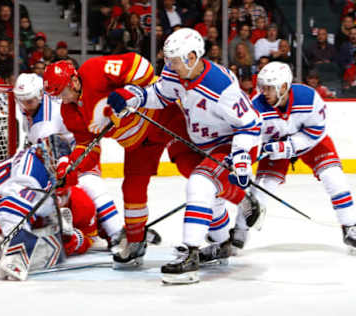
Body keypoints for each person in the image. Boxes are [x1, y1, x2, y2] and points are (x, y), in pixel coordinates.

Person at [107, 28, 263, 284]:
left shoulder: (222, 87)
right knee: (197, 180)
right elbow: (160, 94)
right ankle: (223, 240)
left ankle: (190, 255)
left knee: (201, 183)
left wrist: (241, 157)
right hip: (200, 140)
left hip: (228, 144)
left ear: (191, 57)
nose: (168, 65)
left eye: (174, 60)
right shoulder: (175, 72)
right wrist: (134, 96)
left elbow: (251, 125)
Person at [43, 54, 172, 268]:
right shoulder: (70, 111)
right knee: (132, 190)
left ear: (74, 81)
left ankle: (218, 230)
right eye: (57, 96)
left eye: (63, 92)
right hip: (138, 143)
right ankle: (135, 242)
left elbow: (142, 68)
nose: (63, 100)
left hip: (163, 114)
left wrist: (126, 93)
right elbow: (88, 148)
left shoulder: (94, 70)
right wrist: (70, 167)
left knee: (195, 168)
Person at [231, 61, 356, 252]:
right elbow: (249, 136)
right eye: (262, 87)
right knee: (262, 188)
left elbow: (317, 129)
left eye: (269, 88)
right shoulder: (256, 107)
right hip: (274, 146)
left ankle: (350, 227)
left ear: (283, 86)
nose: (264, 92)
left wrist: (289, 145)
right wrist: (242, 158)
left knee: (334, 178)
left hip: (310, 143)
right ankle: (239, 231)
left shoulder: (308, 97)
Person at [13, 72, 126, 252]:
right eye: (20, 100)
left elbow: (52, 149)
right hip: (61, 157)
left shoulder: (46, 122)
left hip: (80, 152)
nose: (24, 105)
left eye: (29, 100)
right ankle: (101, 230)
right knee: (78, 198)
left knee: (92, 186)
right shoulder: (34, 106)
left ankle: (118, 234)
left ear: (40, 95)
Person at [0, 136, 97, 281]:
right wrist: (16, 251)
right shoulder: (30, 171)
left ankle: (1, 247)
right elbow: (10, 210)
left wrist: (73, 237)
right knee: (42, 251)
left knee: (44, 234)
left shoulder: (44, 166)